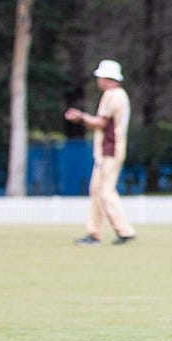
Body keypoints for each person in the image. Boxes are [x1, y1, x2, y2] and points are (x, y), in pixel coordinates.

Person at [67, 59, 137, 246]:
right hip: (108, 150)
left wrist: (81, 118)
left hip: (110, 150)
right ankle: (94, 233)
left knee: (105, 192)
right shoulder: (117, 95)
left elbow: (102, 122)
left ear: (107, 78)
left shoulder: (113, 95)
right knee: (97, 190)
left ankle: (124, 230)